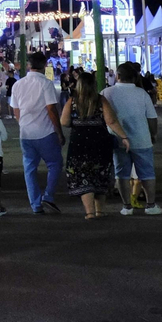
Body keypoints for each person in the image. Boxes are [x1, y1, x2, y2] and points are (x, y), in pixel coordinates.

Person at [103, 62, 162, 215]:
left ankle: (127, 206)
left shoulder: (106, 93)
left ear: (117, 76)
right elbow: (152, 117)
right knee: (147, 174)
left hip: (116, 139)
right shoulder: (142, 93)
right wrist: (153, 134)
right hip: (142, 138)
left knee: (122, 174)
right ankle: (150, 205)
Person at [62, 72, 126, 219]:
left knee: (83, 175)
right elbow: (111, 121)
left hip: (78, 142)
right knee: (100, 174)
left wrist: (77, 123)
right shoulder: (100, 100)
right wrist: (124, 137)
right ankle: (100, 211)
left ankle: (89, 212)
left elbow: (64, 122)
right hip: (100, 141)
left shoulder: (72, 101)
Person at [9, 63, 64, 215]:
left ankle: (35, 204)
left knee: (29, 169)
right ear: (44, 66)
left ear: (29, 66)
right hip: (45, 132)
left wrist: (22, 124)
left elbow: (16, 109)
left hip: (26, 133)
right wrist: (59, 131)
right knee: (55, 164)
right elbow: (51, 109)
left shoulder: (18, 84)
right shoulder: (46, 83)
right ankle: (48, 195)